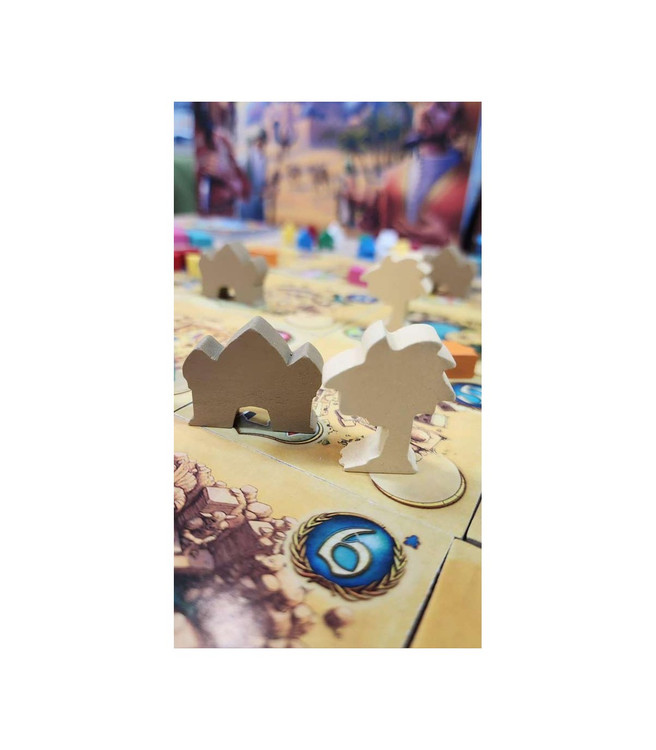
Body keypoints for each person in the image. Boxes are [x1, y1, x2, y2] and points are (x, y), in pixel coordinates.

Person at [372, 102, 481, 246]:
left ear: (456, 126)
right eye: (426, 102)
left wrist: (447, 240)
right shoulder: (393, 177)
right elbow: (379, 234)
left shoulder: (471, 185)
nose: (428, 110)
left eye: (442, 107)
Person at [239, 129, 268, 221]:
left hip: (258, 197)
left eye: (262, 140)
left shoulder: (263, 158)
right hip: (248, 197)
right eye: (258, 140)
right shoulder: (247, 156)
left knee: (258, 222)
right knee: (247, 222)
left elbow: (261, 178)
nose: (260, 143)